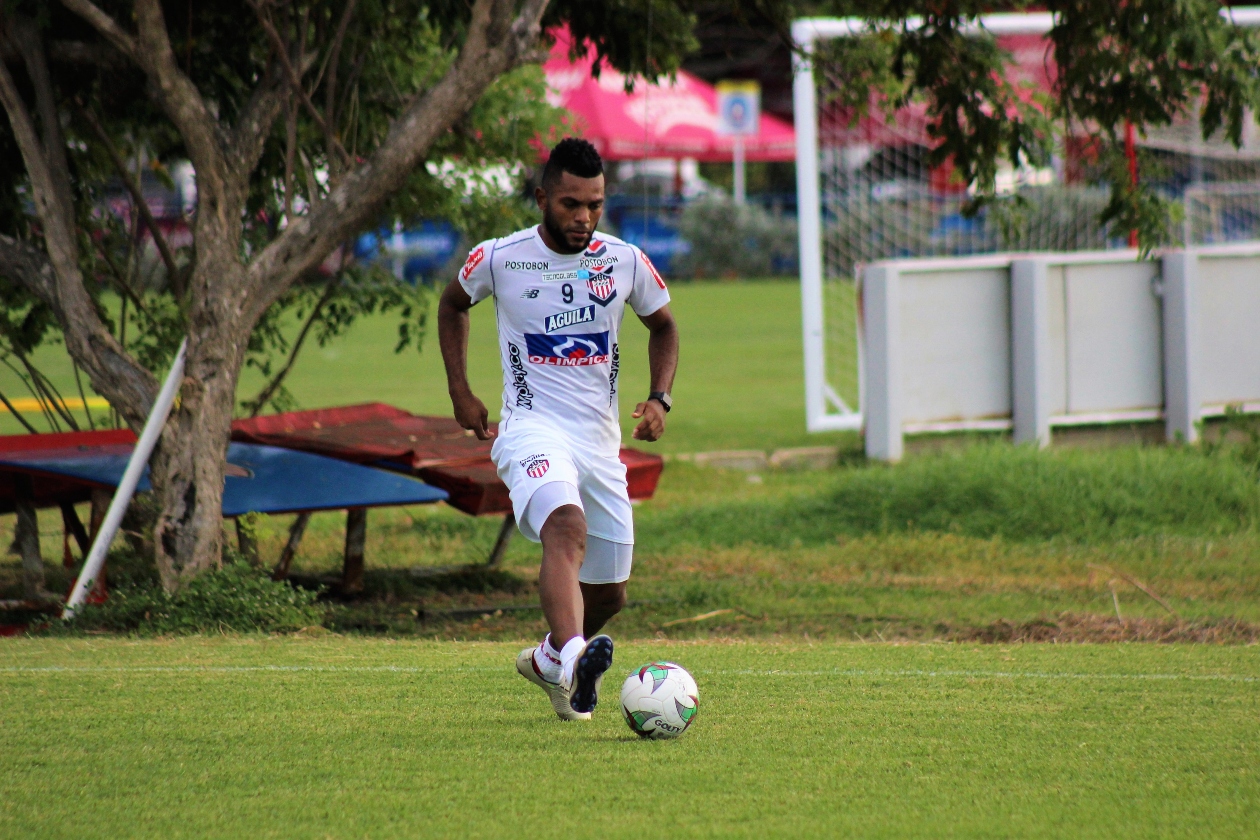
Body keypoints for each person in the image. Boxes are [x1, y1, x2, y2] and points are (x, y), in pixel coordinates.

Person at [437, 138, 679, 720]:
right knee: (565, 528)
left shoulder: (623, 260)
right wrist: (461, 391)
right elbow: (452, 305)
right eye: (571, 204)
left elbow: (664, 326)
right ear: (543, 197)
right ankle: (575, 661)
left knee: (611, 593)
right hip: (531, 430)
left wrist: (659, 399)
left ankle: (550, 659)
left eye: (594, 204)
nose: (584, 217)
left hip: (599, 442)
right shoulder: (500, 257)